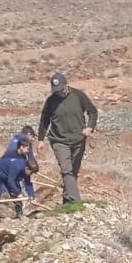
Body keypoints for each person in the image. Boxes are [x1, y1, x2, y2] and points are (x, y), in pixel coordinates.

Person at [37, 73, 98, 204]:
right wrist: (41, 139)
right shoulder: (51, 101)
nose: (58, 93)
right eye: (55, 91)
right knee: (66, 169)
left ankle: (67, 201)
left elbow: (92, 111)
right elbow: (44, 120)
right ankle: (76, 203)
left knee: (73, 172)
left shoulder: (78, 95)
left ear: (66, 85)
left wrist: (90, 127)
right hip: (59, 140)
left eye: (60, 90)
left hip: (78, 139)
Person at [0, 136, 36, 217]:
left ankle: (19, 213)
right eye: (27, 149)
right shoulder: (11, 155)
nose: (28, 151)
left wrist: (31, 195)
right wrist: (18, 193)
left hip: (12, 174)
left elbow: (28, 182)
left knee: (16, 190)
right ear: (21, 147)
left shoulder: (24, 159)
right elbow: (10, 180)